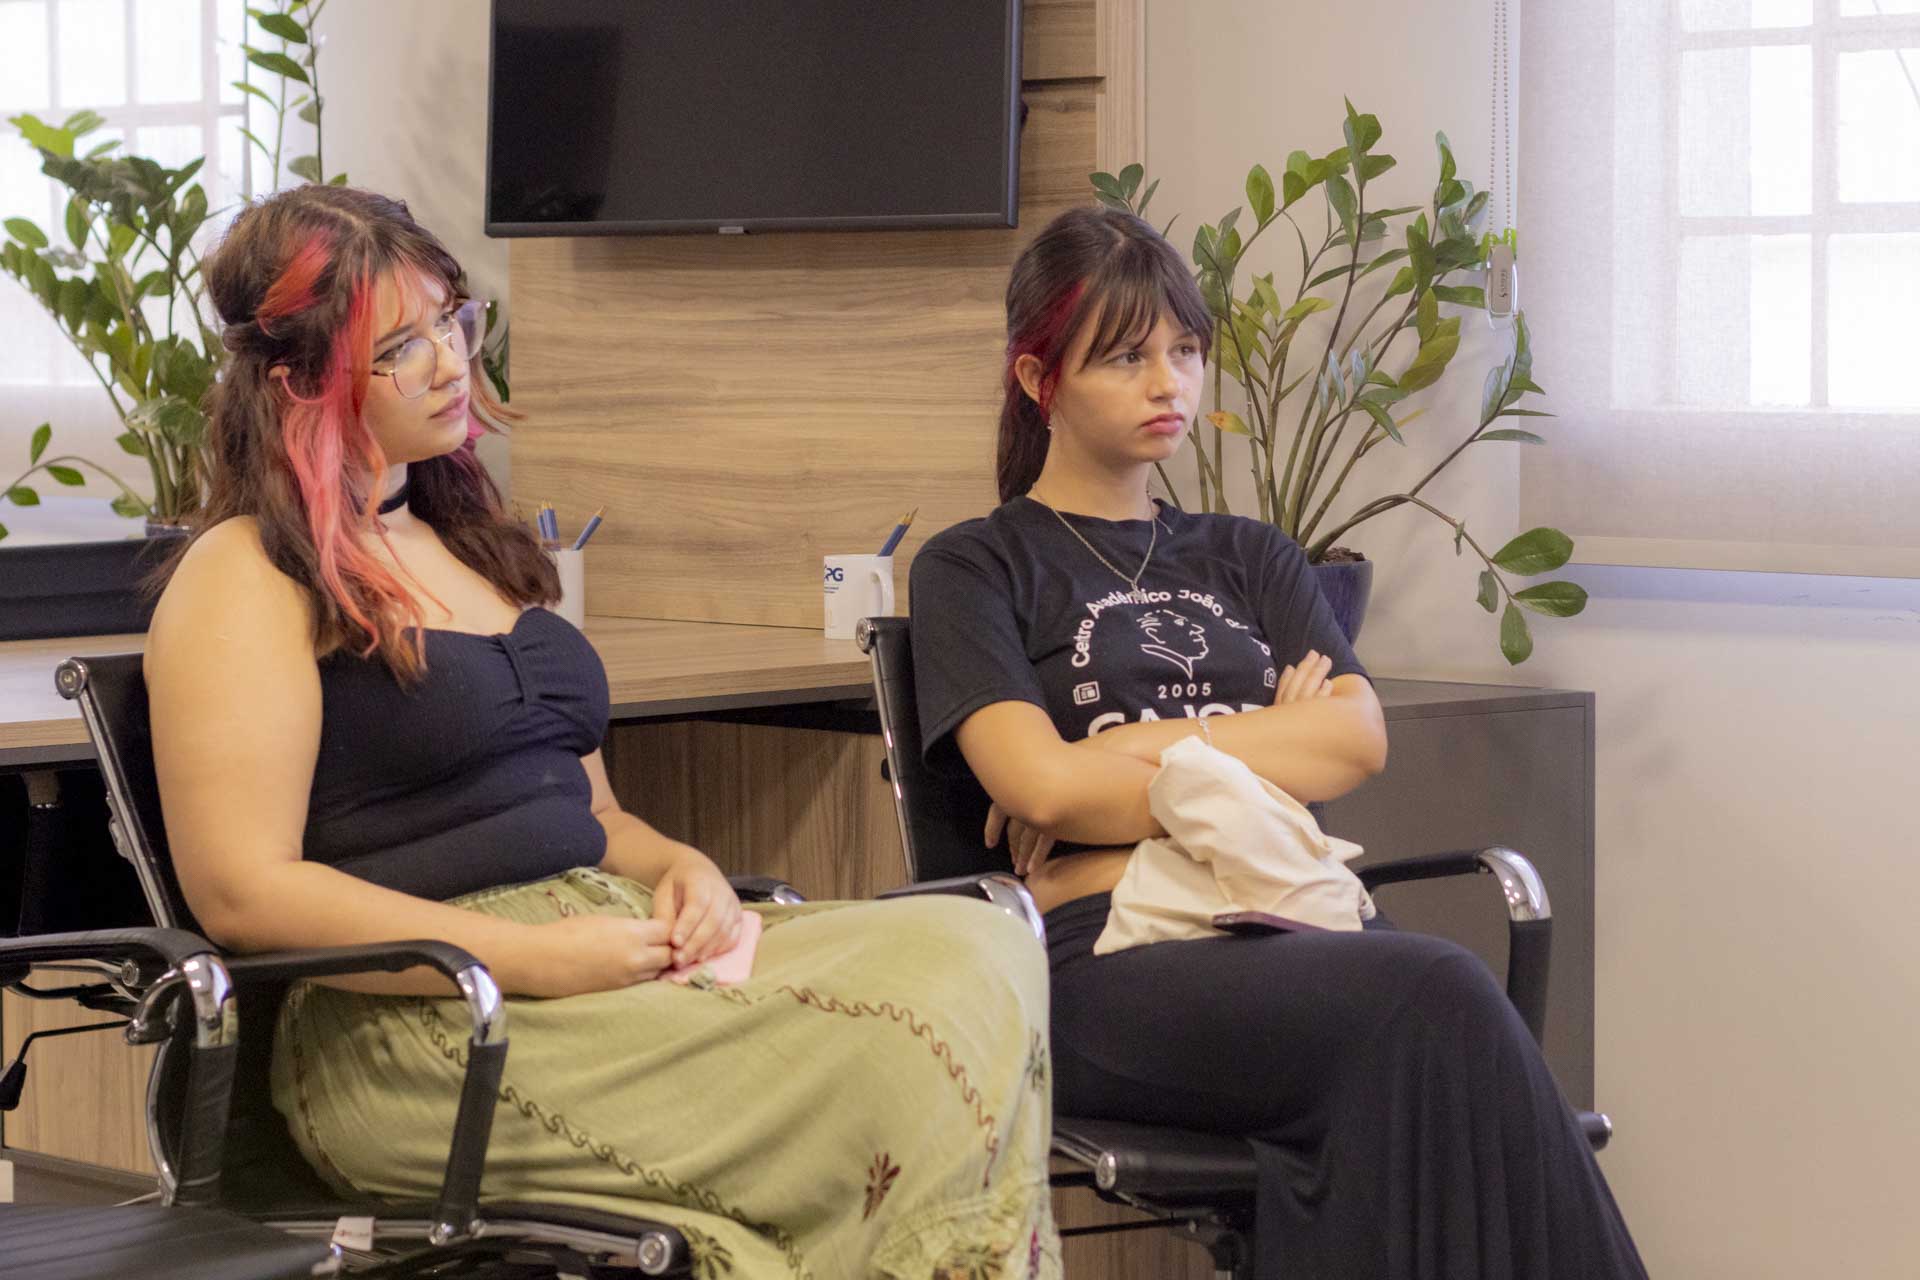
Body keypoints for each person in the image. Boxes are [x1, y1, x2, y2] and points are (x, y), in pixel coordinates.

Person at [145, 183, 1060, 1280]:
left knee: (981, 944)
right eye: (401, 347)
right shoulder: (246, 574)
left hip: (598, 941)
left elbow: (595, 814)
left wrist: (682, 869)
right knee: (891, 1053)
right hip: (426, 1020)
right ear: (296, 379)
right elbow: (243, 895)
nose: (452, 361)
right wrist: (531, 959)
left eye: (454, 321)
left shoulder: (470, 544)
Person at [909, 205, 1647, 1279]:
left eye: (1185, 350)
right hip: (1104, 959)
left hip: (1293, 917)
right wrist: (1262, 737)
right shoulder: (974, 567)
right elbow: (1043, 787)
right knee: (1438, 998)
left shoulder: (1251, 555)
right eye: (1125, 357)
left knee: (1408, 1066)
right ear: (1038, 379)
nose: (1168, 383)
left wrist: (1135, 753)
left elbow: (1354, 739)